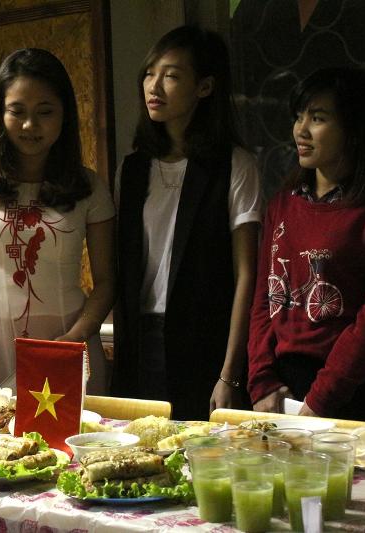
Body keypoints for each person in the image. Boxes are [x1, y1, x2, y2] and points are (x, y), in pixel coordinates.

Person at [110, 25, 262, 421]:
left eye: (172, 75)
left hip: (204, 342)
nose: (154, 85)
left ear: (205, 87)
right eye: (149, 73)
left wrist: (229, 374)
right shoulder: (132, 169)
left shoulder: (233, 165)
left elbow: (246, 275)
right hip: (139, 342)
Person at [248, 68, 365, 422]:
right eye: (299, 117)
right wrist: (261, 381)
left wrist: (322, 397)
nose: (300, 130)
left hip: (360, 390)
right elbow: (265, 298)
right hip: (285, 386)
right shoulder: (282, 204)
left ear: (355, 129)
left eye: (318, 118)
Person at [0, 48, 115, 393]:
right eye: (17, 111)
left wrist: (76, 336)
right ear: (0, 113)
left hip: (70, 344)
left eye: (45, 112)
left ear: (65, 114)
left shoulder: (89, 187)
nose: (29, 125)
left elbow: (107, 281)